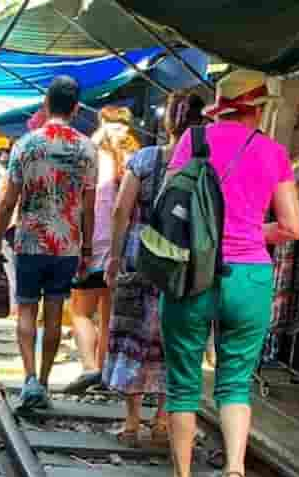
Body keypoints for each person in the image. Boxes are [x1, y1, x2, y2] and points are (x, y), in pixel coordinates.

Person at [159, 70, 299, 477]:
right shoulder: (274, 153)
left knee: (183, 381)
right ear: (258, 109)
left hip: (193, 274)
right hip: (250, 278)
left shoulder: (191, 142)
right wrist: (250, 231)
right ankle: (236, 472)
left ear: (221, 106)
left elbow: (168, 206)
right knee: (235, 382)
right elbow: (293, 227)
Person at [0, 76, 99, 411]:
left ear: (46, 104)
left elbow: (8, 202)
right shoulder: (87, 148)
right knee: (53, 314)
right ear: (76, 108)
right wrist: (88, 249)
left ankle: (29, 379)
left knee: (25, 309)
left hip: (30, 240)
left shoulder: (27, 144)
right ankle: (46, 383)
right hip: (66, 244)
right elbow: (89, 207)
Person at [104, 94, 206, 445]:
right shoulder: (205, 166)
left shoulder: (146, 158)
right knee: (170, 340)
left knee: (133, 336)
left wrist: (114, 257)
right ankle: (162, 422)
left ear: (168, 123)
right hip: (182, 264)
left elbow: (121, 210)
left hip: (140, 257)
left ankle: (132, 424)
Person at [65, 105, 137, 395]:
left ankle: (90, 367)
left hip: (92, 246)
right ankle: (106, 372)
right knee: (108, 315)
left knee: (81, 311)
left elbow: (80, 204)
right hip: (123, 249)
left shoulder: (91, 155)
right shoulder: (136, 158)